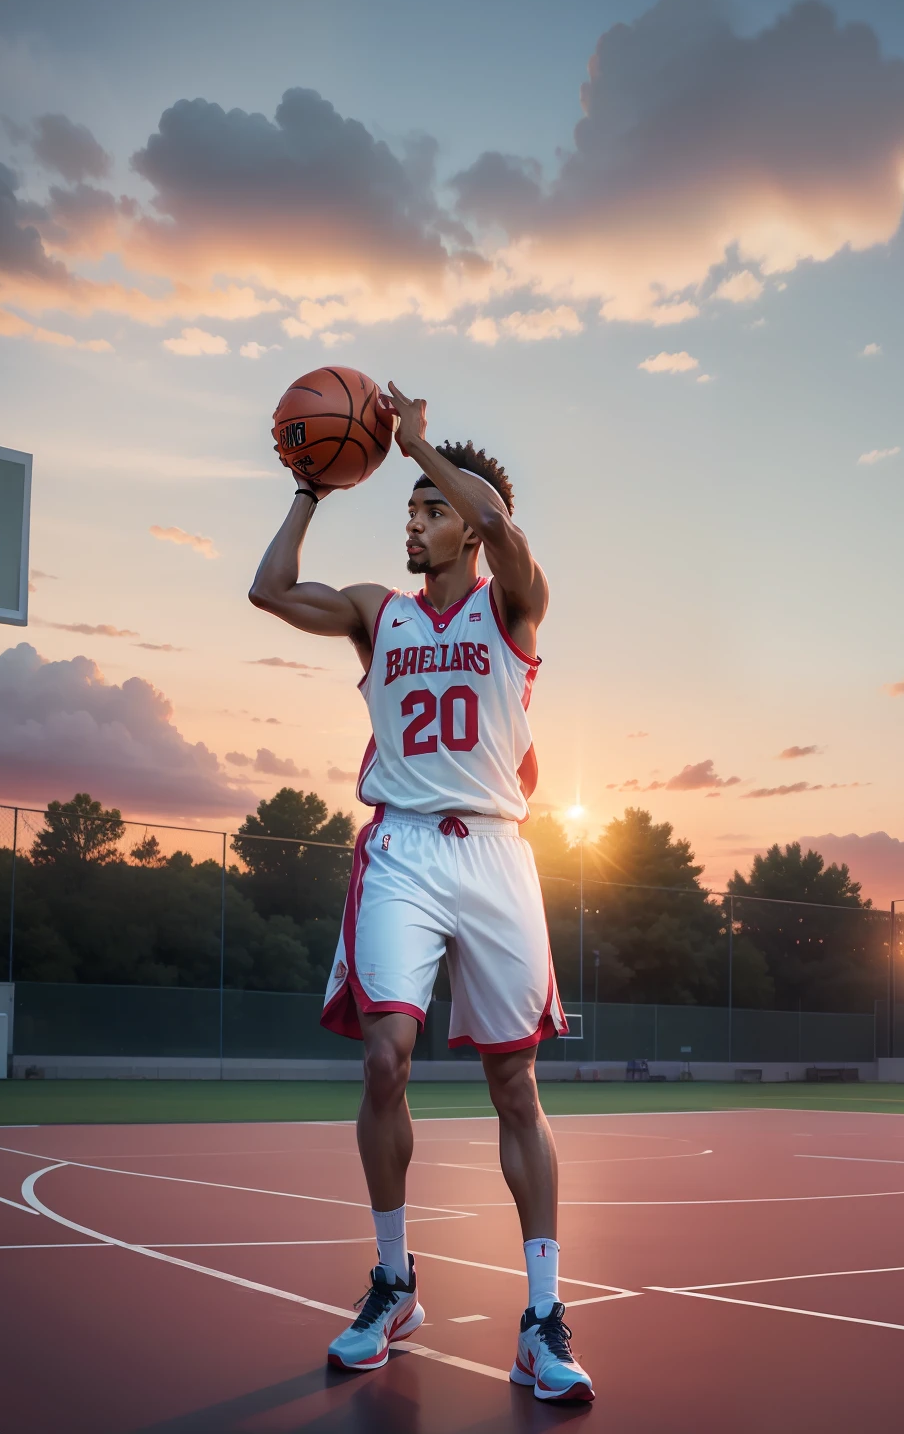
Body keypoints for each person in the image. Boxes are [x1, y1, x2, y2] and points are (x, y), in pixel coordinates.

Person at [248, 382, 593, 1402]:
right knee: (386, 1061)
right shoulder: (378, 615)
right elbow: (270, 590)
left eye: (428, 507)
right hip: (400, 850)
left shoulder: (511, 601)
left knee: (514, 1088)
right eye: (408, 504)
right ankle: (394, 1283)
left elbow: (497, 521)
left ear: (470, 526)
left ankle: (541, 1320)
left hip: (496, 856)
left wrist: (430, 451)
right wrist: (312, 490)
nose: (414, 515)